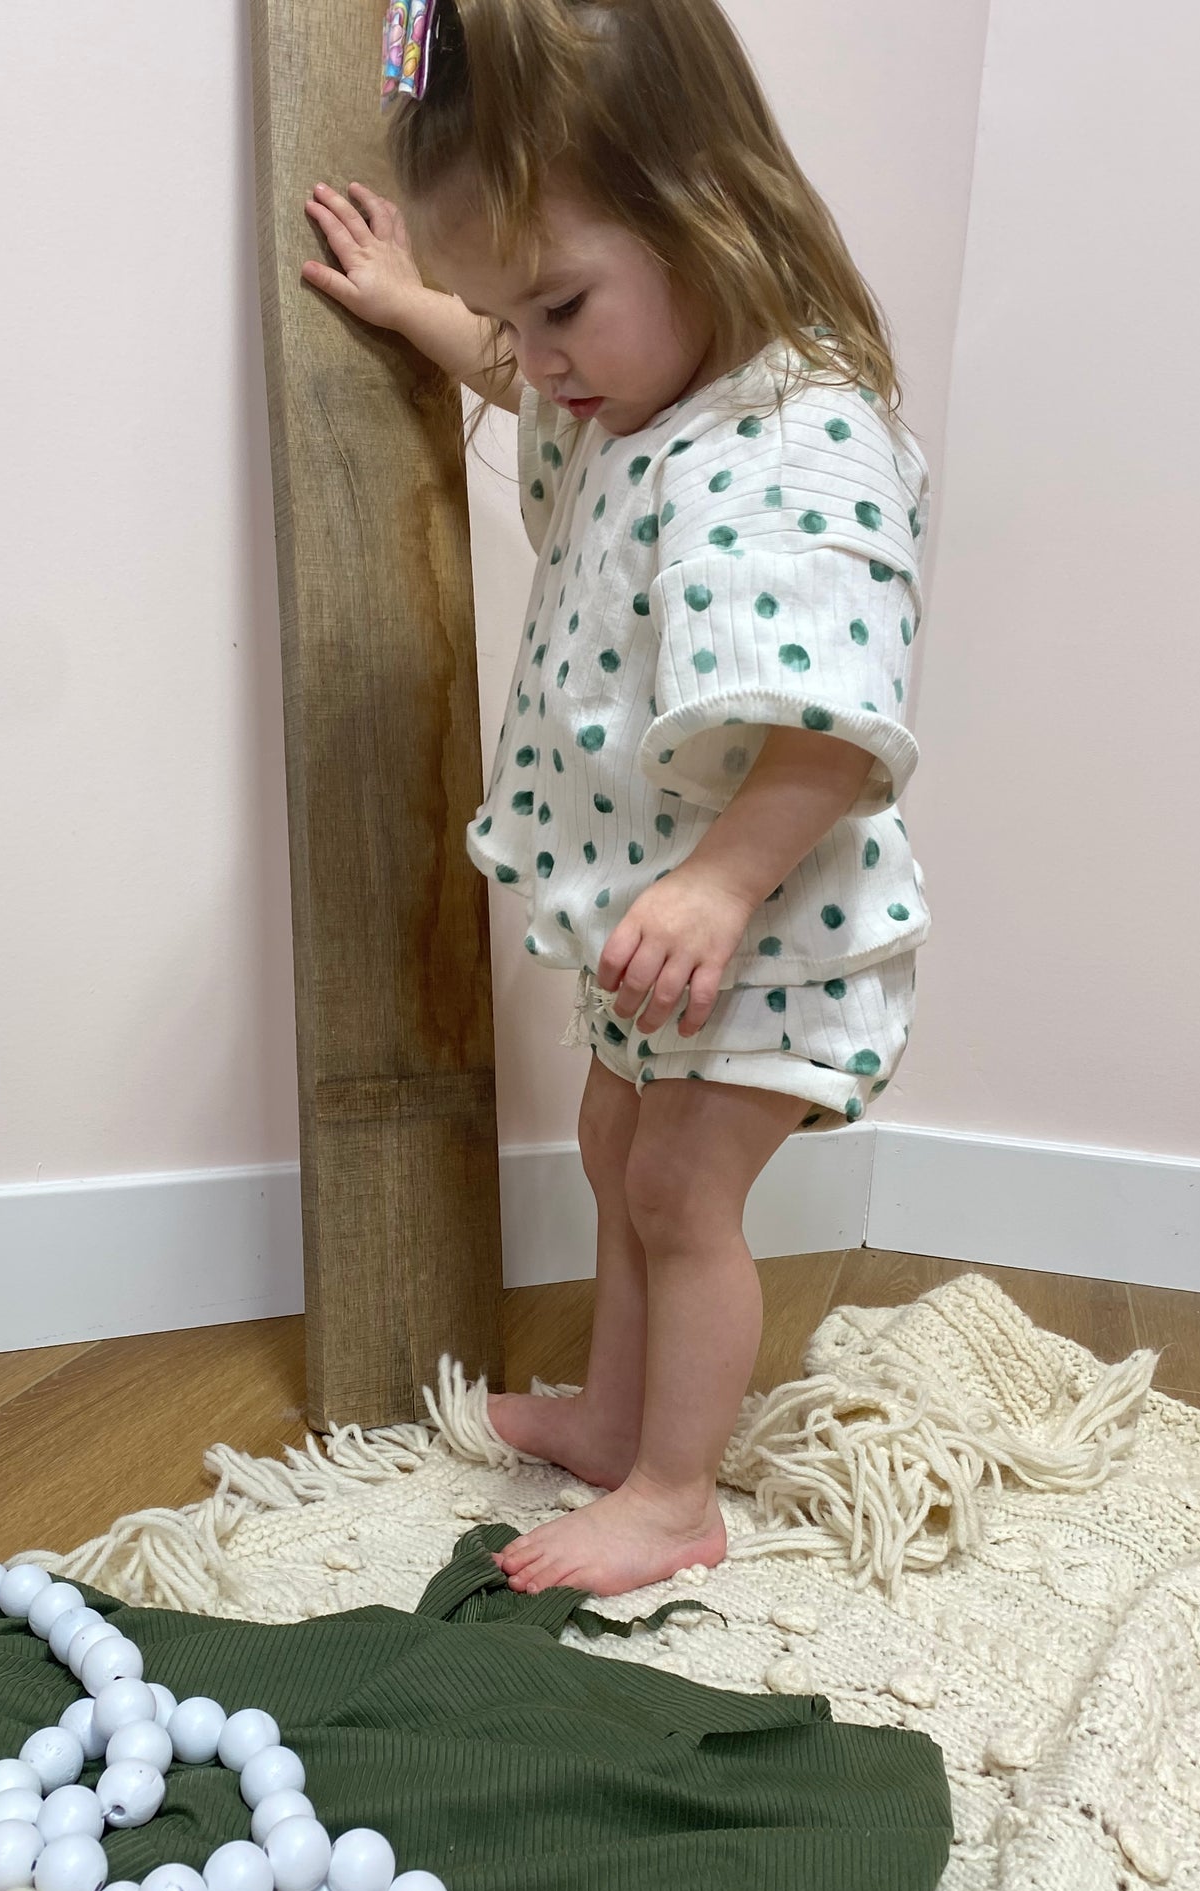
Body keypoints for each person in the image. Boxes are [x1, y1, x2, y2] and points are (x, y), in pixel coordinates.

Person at [301, 0, 930, 1598]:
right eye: (505, 317)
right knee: (609, 1145)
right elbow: (521, 386)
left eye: (559, 304)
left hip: (767, 921)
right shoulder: (625, 396)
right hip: (663, 925)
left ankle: (672, 1493)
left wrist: (719, 885)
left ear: (704, 206)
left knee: (678, 1188)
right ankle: (613, 1410)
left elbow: (837, 724)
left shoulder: (789, 448)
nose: (536, 360)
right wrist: (418, 311)